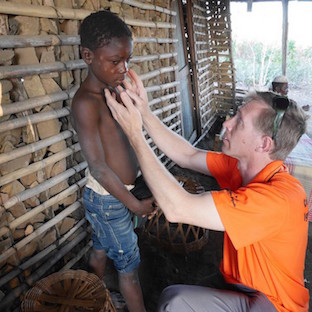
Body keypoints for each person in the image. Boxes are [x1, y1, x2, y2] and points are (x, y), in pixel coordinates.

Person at [104, 69, 310, 311]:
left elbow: (177, 208)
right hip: (245, 286)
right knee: (175, 297)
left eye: (239, 121)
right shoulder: (240, 166)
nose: (227, 123)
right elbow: (187, 154)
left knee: (175, 303)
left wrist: (135, 135)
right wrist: (145, 114)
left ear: (264, 144)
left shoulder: (276, 200)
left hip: (274, 305)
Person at [71, 11, 155, 312]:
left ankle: (86, 295)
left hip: (115, 194)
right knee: (129, 267)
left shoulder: (114, 90)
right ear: (88, 56)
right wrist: (133, 204)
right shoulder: (85, 103)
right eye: (115, 61)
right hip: (110, 199)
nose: (124, 68)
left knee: (101, 245)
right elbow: (98, 167)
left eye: (127, 60)